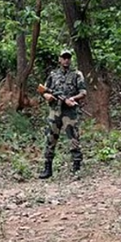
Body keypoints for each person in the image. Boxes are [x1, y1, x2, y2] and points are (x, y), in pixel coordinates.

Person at [38, 48, 87, 179]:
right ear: (59, 59)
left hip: (69, 112)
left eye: (68, 58)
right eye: (63, 57)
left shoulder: (77, 74)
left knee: (74, 139)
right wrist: (47, 96)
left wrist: (73, 99)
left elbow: (83, 92)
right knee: (50, 139)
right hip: (54, 111)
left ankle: (76, 168)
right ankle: (47, 169)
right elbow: (43, 90)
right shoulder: (53, 75)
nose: (66, 60)